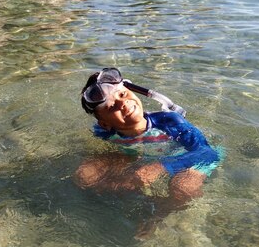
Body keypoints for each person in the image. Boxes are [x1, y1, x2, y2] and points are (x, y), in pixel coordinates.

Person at [74, 68, 222, 216]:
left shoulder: (169, 121)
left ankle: (162, 213)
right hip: (143, 157)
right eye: (112, 107)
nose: (122, 103)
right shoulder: (104, 133)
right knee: (86, 175)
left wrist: (161, 167)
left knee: (182, 187)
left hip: (193, 158)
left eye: (122, 94)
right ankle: (146, 200)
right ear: (105, 124)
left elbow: (208, 153)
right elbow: (102, 155)